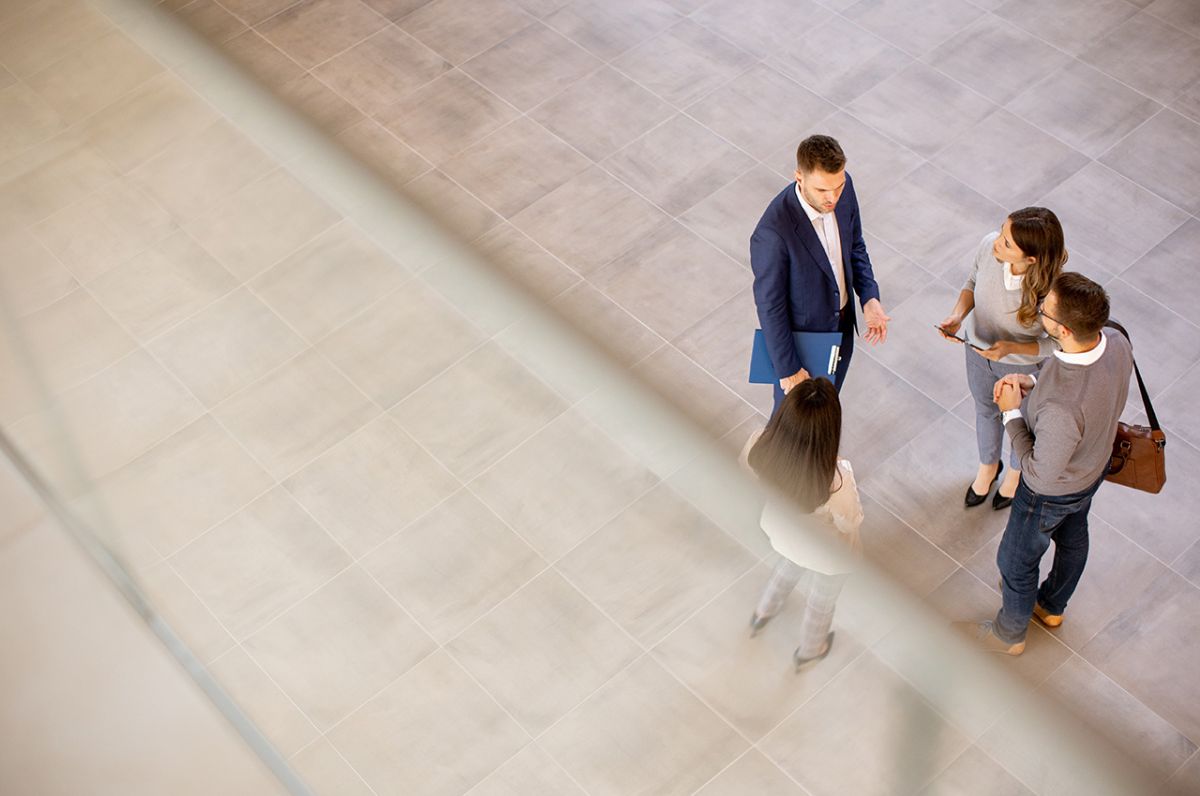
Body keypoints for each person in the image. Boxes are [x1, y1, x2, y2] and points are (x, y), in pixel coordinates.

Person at [957, 273, 1132, 655]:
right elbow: (1076, 377)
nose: (1039, 313)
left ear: (1064, 329)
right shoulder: (1115, 339)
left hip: (1049, 493)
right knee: (1073, 536)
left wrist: (1010, 415)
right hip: (1092, 468)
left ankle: (1009, 635)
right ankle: (1051, 607)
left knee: (1015, 563)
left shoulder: (1062, 409)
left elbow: (1037, 472)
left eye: (1045, 311)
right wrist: (1034, 383)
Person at [938, 208, 1067, 510]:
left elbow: (1058, 343)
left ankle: (1014, 474)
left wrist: (1010, 348)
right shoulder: (988, 246)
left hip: (1020, 368)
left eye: (1008, 243)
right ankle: (987, 467)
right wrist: (958, 315)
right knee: (985, 409)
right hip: (976, 352)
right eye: (1001, 232)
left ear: (1031, 259)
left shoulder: (1052, 292)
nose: (997, 242)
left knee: (1019, 422)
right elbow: (971, 283)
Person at [750, 134, 889, 414]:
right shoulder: (772, 233)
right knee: (792, 421)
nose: (833, 197)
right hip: (804, 344)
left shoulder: (844, 189)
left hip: (841, 328)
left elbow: (855, 246)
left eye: (838, 187)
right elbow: (770, 306)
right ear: (799, 178)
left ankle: (819, 457)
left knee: (825, 410)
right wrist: (789, 369)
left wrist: (869, 297)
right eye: (823, 190)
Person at [741, 378, 863, 670]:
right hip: (827, 555)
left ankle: (763, 613)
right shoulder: (837, 481)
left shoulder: (759, 443)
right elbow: (851, 522)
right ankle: (810, 650)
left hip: (781, 534)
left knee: (786, 566)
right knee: (821, 601)